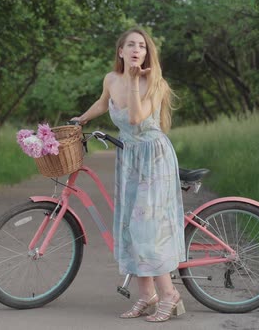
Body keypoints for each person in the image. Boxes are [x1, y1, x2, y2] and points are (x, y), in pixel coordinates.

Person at [71, 27, 185, 322]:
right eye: (131, 45)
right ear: (120, 52)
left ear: (147, 54)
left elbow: (135, 118)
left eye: (142, 46)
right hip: (129, 158)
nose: (137, 50)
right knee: (129, 228)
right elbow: (103, 101)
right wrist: (82, 118)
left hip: (153, 157)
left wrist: (135, 81)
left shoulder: (153, 81)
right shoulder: (111, 79)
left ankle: (170, 294)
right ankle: (148, 295)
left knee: (146, 228)